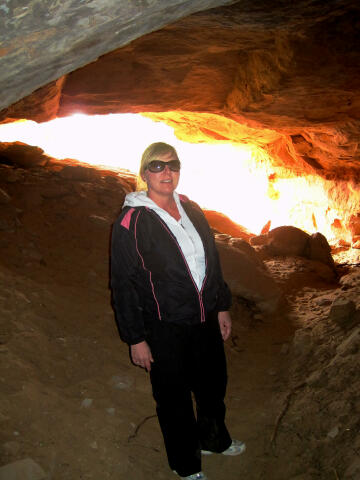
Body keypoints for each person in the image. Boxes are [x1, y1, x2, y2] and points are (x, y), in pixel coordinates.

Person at [110, 142, 245, 480]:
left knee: (213, 385)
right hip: (163, 325)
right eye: (157, 166)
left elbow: (210, 261)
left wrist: (222, 306)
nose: (165, 172)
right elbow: (123, 283)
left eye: (172, 165)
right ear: (144, 174)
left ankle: (213, 440)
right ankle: (185, 464)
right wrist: (135, 338)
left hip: (204, 317)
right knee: (174, 398)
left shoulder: (191, 208)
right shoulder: (132, 221)